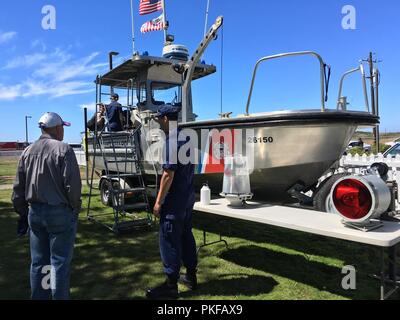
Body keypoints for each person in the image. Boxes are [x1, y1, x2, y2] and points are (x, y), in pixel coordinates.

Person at [12, 112, 82, 300]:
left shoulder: (28, 151)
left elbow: (18, 189)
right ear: (57, 128)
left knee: (40, 263)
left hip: (35, 213)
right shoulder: (63, 149)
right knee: (58, 263)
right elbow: (73, 186)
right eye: (62, 128)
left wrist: (22, 212)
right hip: (59, 212)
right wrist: (75, 209)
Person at [146, 105, 198, 300]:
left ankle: (170, 286)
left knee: (169, 239)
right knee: (186, 236)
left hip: (175, 200)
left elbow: (168, 174)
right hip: (187, 198)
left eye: (159, 119)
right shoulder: (188, 138)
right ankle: (191, 276)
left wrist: (158, 202)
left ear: (166, 118)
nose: (158, 122)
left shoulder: (172, 141)